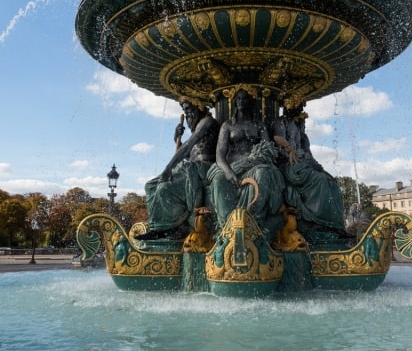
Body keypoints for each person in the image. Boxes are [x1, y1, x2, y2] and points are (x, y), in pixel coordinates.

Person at [206, 88, 284, 238]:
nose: (241, 102)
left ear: (251, 103)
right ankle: (227, 229)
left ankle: (254, 223)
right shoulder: (227, 125)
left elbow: (269, 150)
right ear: (235, 102)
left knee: (263, 173)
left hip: (255, 166)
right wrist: (228, 172)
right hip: (232, 167)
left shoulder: (259, 125)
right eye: (239, 99)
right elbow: (219, 155)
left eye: (245, 99)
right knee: (218, 180)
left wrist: (255, 160)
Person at [140, 100, 219, 240]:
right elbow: (189, 152)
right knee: (150, 186)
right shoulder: (198, 128)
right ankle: (156, 225)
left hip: (204, 168)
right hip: (191, 166)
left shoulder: (207, 122)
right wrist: (176, 139)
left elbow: (188, 146)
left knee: (164, 188)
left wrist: (168, 167)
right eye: (185, 111)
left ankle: (169, 227)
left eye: (189, 110)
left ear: (199, 107)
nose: (187, 114)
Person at [271, 102, 345, 234]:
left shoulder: (296, 127)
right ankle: (317, 221)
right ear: (287, 107)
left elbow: (307, 154)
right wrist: (289, 149)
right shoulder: (281, 122)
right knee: (319, 180)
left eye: (299, 107)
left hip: (301, 164)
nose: (299, 109)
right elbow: (276, 137)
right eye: (296, 106)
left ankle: (335, 224)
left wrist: (320, 168)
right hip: (286, 164)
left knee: (332, 182)